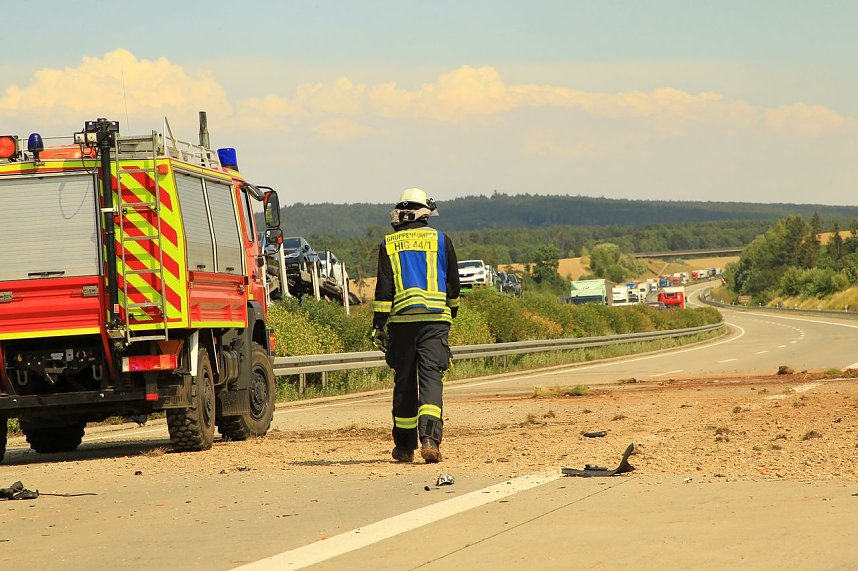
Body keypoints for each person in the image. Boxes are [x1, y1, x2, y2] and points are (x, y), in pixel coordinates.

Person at [371, 188, 460, 464]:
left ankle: (404, 447)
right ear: (425, 213)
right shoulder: (441, 240)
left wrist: (378, 326)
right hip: (435, 323)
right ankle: (430, 440)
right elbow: (453, 285)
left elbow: (384, 291)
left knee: (405, 384)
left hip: (402, 325)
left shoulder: (389, 243)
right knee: (432, 379)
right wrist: (451, 312)